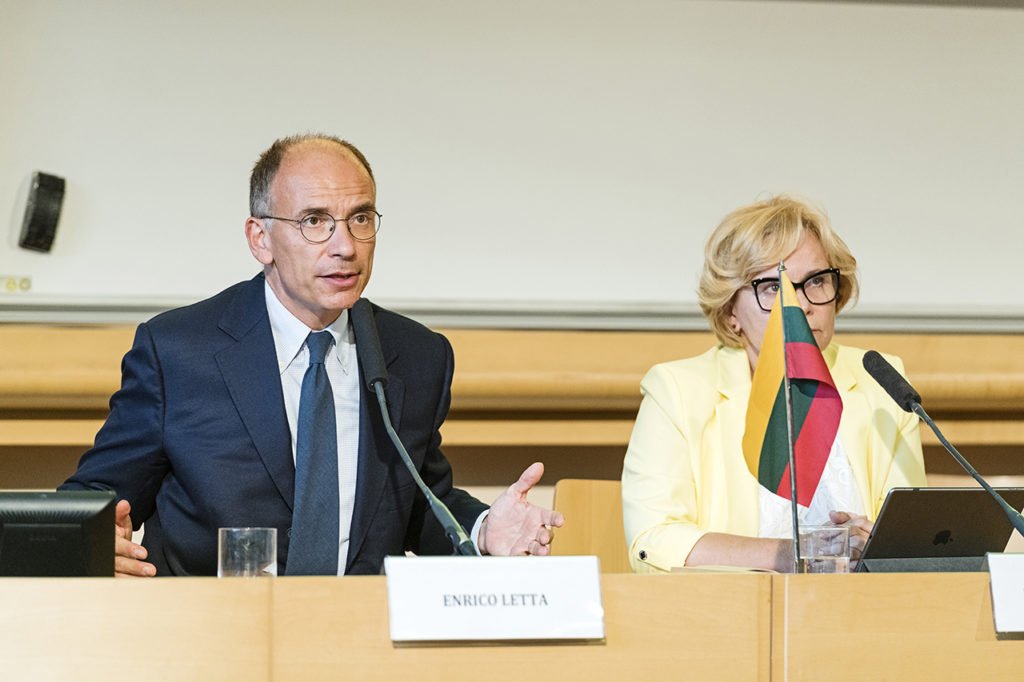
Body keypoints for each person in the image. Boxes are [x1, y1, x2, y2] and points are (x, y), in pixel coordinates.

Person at [61, 134, 563, 576]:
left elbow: (415, 505)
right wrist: (91, 537)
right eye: (314, 221)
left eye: (360, 218)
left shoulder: (415, 354)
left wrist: (481, 531)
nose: (344, 246)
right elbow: (97, 495)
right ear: (261, 239)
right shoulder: (179, 351)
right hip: (209, 633)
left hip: (357, 635)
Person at [621, 196, 926, 573]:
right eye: (773, 287)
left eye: (816, 281)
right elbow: (653, 541)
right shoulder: (678, 391)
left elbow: (912, 541)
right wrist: (789, 554)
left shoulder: (880, 383)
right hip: (732, 617)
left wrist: (875, 545)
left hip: (859, 612)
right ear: (730, 311)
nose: (801, 305)